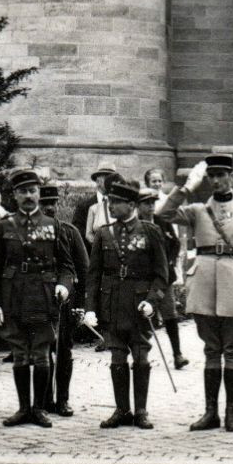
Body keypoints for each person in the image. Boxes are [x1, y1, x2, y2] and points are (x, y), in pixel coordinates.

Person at [158, 156, 233, 433]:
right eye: (212, 176)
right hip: (204, 285)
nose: (216, 181)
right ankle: (211, 413)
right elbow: (162, 214)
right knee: (210, 350)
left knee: (230, 351)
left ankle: (230, 414)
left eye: (221, 175)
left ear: (231, 176)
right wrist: (185, 188)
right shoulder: (196, 210)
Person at [0, 170, 79, 427]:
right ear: (14, 195)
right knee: (19, 354)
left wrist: (63, 286)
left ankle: (39, 409)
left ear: (38, 193)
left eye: (32, 191)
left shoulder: (54, 226)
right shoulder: (4, 227)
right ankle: (22, 408)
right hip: (14, 296)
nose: (28, 196)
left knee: (40, 354)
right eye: (23, 191)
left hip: (43, 297)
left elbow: (67, 266)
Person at [85, 182, 172, 429]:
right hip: (112, 304)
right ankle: (122, 410)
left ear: (131, 205)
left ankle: (141, 411)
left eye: (116, 202)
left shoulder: (151, 232)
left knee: (141, 357)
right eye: (110, 201)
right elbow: (94, 275)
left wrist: (152, 301)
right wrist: (91, 308)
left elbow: (162, 275)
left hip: (138, 306)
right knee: (117, 358)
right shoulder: (103, 233)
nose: (110, 206)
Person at [38, 182, 89, 416]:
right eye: (43, 203)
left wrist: (81, 305)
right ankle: (44, 399)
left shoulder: (69, 231)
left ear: (57, 204)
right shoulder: (31, 233)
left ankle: (63, 400)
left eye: (52, 203)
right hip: (38, 300)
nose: (48, 208)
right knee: (41, 349)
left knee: (64, 350)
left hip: (64, 301)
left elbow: (83, 269)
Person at [137, 181, 189, 369]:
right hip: (142, 279)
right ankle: (141, 355)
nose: (151, 207)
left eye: (153, 203)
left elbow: (174, 243)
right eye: (146, 203)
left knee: (170, 314)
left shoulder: (162, 222)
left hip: (163, 279)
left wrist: (169, 261)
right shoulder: (134, 225)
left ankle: (177, 354)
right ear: (138, 206)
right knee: (142, 315)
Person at [74, 165, 119, 241]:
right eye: (107, 178)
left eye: (113, 179)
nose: (111, 183)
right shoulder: (84, 206)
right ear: (98, 181)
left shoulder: (120, 204)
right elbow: (77, 232)